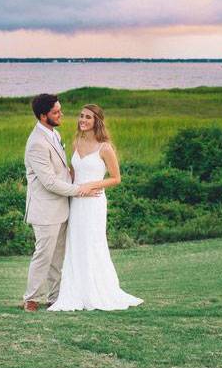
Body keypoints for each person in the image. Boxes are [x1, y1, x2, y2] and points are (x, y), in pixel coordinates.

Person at [48, 104, 143, 312]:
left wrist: (92, 185)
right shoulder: (76, 142)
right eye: (81, 116)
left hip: (94, 202)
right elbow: (73, 174)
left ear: (96, 121)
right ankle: (76, 291)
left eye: (88, 117)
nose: (82, 120)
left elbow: (116, 179)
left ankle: (98, 290)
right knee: (76, 245)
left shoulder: (105, 147)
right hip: (77, 202)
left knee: (93, 244)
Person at [22, 93, 102, 312]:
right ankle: (31, 299)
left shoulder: (54, 134)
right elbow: (48, 182)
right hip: (45, 209)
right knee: (43, 256)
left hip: (62, 207)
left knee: (58, 258)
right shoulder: (36, 143)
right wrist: (80, 190)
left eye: (60, 110)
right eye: (56, 112)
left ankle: (55, 297)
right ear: (43, 115)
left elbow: (63, 171)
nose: (61, 115)